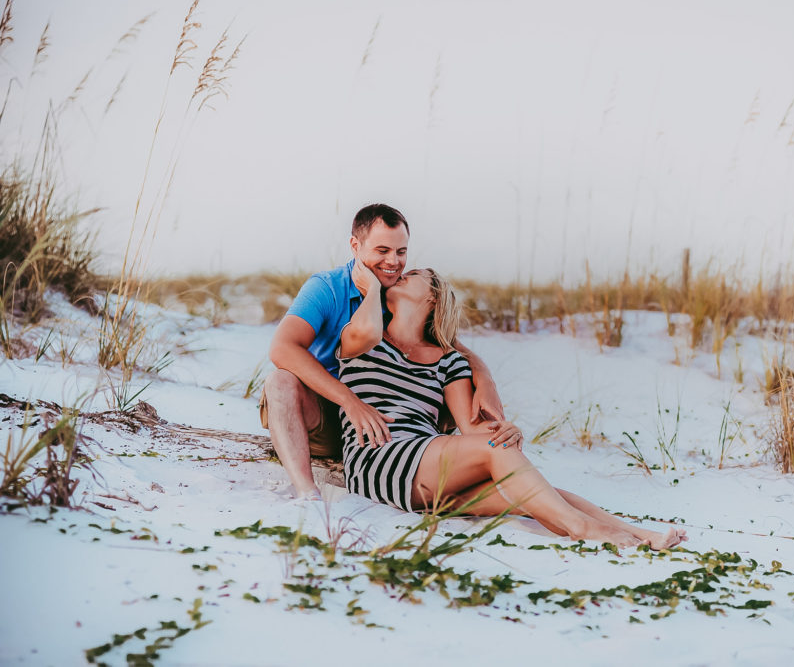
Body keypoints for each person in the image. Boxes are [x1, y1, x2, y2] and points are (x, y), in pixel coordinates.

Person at [336, 267, 687, 549]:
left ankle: (641, 534)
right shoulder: (364, 340)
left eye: (412, 275)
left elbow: (474, 431)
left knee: (532, 494)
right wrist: (370, 286)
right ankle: (581, 528)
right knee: (509, 466)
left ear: (432, 295)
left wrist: (506, 430)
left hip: (428, 478)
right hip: (378, 458)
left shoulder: (449, 362)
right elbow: (366, 323)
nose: (399, 274)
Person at [260, 204, 503, 499]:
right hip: (323, 414)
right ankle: (306, 491)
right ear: (355, 245)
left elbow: (451, 346)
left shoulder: (399, 294)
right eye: (382, 250)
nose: (393, 262)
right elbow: (282, 348)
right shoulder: (326, 287)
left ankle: (440, 461)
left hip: (383, 424)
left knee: (443, 379)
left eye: (401, 252)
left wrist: (485, 379)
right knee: (280, 381)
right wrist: (349, 401)